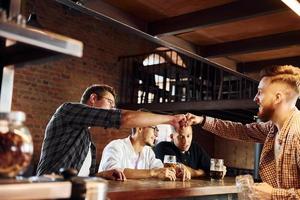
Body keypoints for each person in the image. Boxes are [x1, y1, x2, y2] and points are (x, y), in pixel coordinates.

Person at [186, 65, 300, 199]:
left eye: (260, 92)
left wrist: (272, 194)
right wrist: (202, 120)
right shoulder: (273, 128)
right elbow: (241, 131)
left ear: (277, 98)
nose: (255, 98)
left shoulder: (297, 134)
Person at [36, 84, 186, 179]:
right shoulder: (68, 110)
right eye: (110, 102)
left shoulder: (88, 140)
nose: (112, 109)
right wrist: (170, 119)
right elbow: (125, 118)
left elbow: (83, 176)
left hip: (70, 193)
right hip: (48, 191)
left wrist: (103, 174)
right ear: (93, 98)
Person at [99, 110, 191, 181]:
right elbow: (113, 173)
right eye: (154, 129)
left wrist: (176, 170)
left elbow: (159, 169)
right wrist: (153, 172)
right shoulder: (115, 146)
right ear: (139, 128)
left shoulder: (148, 151)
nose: (156, 135)